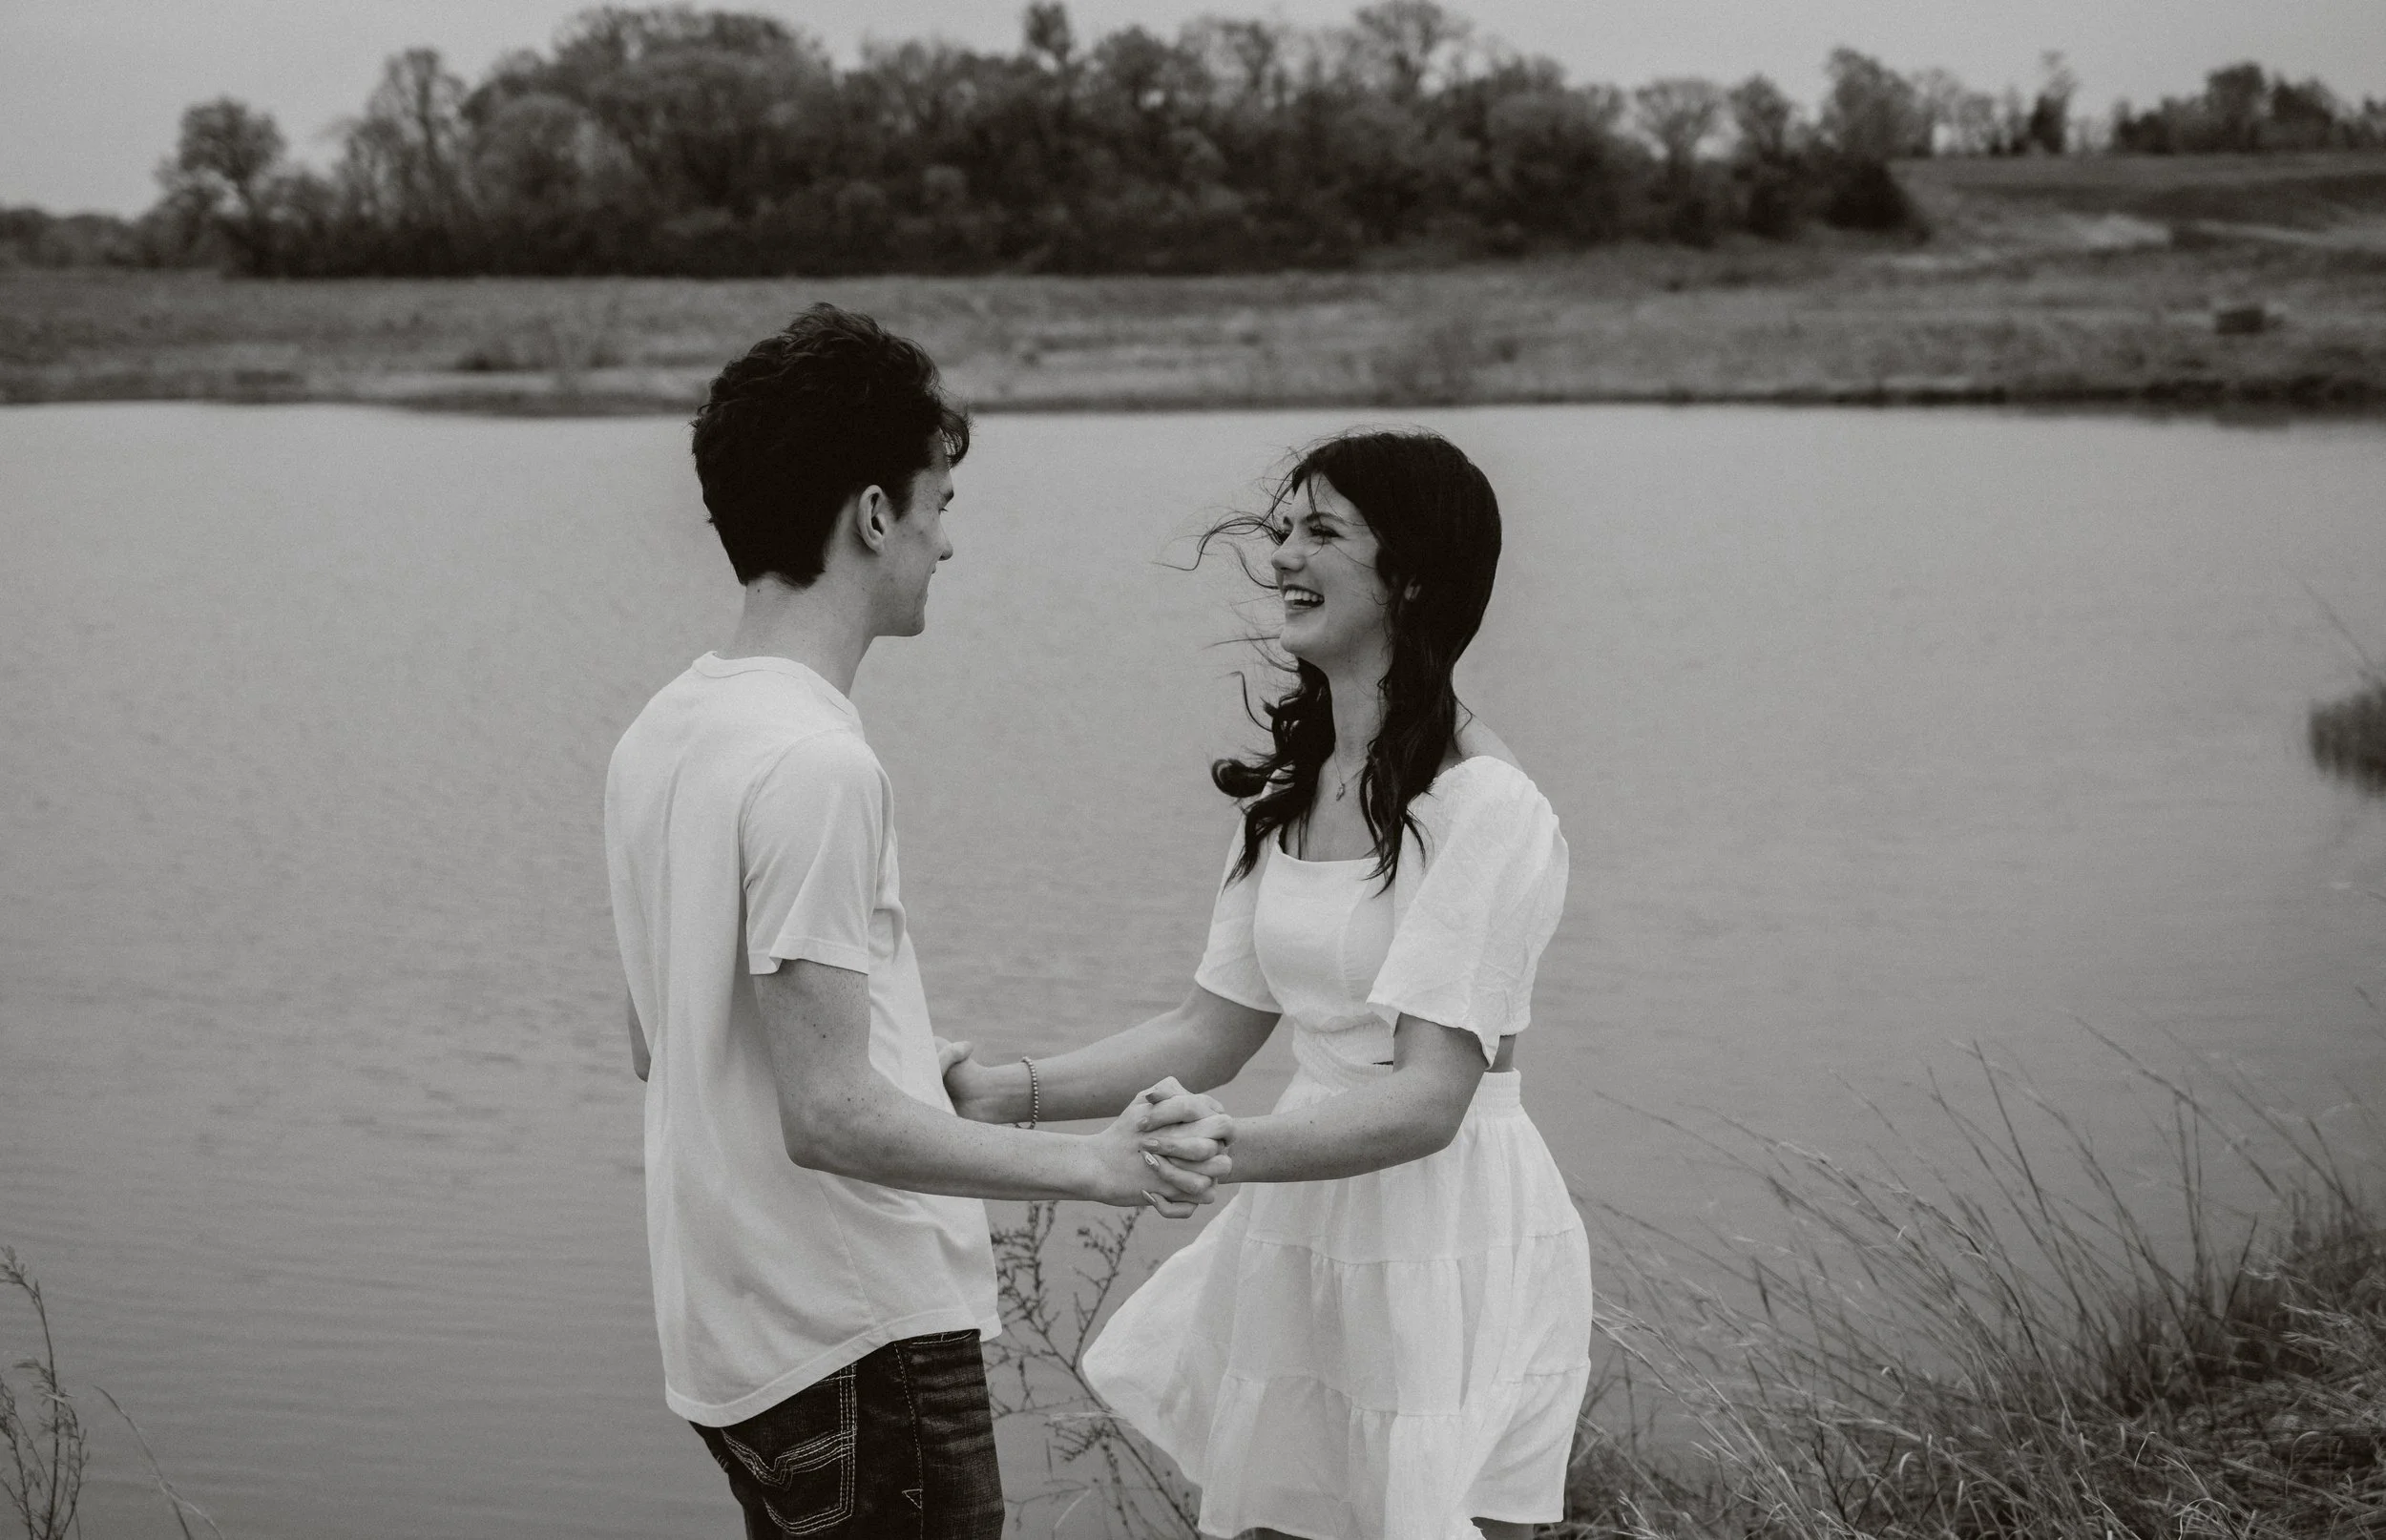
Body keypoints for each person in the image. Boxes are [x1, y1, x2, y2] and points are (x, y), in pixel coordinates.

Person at [603, 303, 1234, 1540]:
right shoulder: (813, 762)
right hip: (853, 1333)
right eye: (938, 506)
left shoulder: (665, 731)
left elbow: (665, 1038)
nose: (945, 545)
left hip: (738, 1331)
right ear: (873, 513)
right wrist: (1100, 1166)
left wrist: (917, 1070)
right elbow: (830, 1111)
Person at [944, 428, 1590, 1540]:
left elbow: (1431, 1098)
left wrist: (1211, 1150)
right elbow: (1210, 1031)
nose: (1282, 555)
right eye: (1281, 528)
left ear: (1415, 578)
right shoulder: (1290, 794)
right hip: (1304, 1212)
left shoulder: (1488, 806)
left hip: (1444, 1231)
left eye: (1322, 532)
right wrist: (998, 1094)